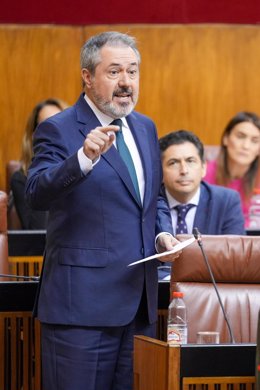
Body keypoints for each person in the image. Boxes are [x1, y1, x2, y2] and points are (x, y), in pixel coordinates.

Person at [25, 31, 180, 390]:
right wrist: (83, 159)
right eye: (114, 72)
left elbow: (152, 198)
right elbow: (36, 194)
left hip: (138, 307)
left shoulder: (145, 127)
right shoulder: (58, 129)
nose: (126, 82)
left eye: (132, 71)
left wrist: (161, 235)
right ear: (88, 76)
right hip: (80, 310)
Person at [159, 130, 245, 280]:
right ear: (159, 171)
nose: (184, 170)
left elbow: (237, 259)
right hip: (159, 290)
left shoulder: (226, 201)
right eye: (173, 163)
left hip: (209, 289)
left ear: (204, 167)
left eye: (191, 161)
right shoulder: (149, 204)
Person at [10, 98, 69, 229]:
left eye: (60, 124)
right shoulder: (21, 179)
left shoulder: (86, 168)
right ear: (33, 135)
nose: (55, 132)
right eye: (46, 126)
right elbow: (39, 230)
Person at [204, 112, 260, 228]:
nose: (246, 146)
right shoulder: (203, 174)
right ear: (226, 139)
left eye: (254, 141)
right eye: (240, 136)